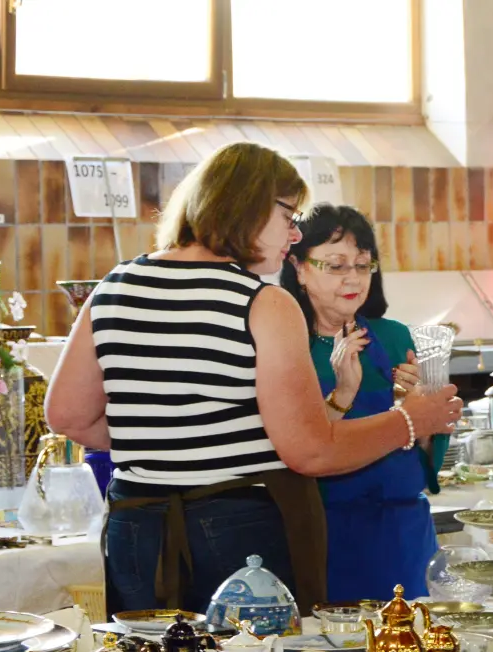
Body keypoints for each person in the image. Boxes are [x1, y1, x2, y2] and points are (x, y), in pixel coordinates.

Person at [45, 142, 463, 616]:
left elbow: (69, 417)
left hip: (136, 525)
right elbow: (311, 450)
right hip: (233, 528)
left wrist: (174, 441)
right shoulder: (260, 301)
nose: (294, 233)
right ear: (248, 206)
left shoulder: (114, 286)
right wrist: (411, 419)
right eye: (289, 216)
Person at [278, 204, 440, 602]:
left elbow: (425, 449)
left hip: (403, 535)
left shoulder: (395, 337)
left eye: (363, 265)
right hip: (324, 536)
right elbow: (297, 448)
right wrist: (342, 396)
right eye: (335, 265)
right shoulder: (284, 344)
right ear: (298, 268)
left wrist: (418, 410)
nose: (353, 278)